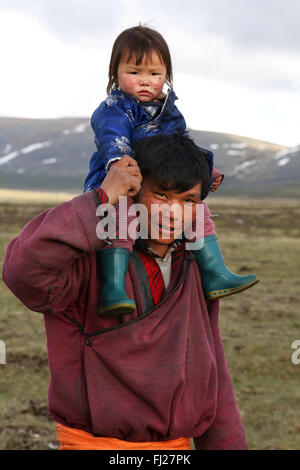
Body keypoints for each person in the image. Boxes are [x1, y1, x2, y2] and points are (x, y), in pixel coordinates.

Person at [3, 133, 248, 450]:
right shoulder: (89, 261)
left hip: (174, 448)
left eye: (187, 200)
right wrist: (100, 200)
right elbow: (24, 273)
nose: (172, 212)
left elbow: (210, 366)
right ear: (132, 193)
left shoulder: (193, 263)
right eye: (161, 195)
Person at [83, 25, 259, 317]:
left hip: (160, 182)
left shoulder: (168, 110)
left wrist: (202, 170)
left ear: (166, 75)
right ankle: (113, 286)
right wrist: (119, 166)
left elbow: (181, 145)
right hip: (120, 182)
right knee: (121, 216)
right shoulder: (114, 108)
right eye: (135, 72)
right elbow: (113, 138)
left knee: (197, 210)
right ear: (115, 72)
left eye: (155, 74)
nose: (145, 81)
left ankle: (214, 272)